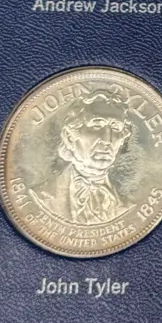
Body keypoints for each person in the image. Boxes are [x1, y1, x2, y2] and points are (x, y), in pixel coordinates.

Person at [30, 90, 133, 225]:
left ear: (122, 140)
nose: (107, 140)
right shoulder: (42, 195)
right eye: (97, 125)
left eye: (116, 127)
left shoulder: (128, 204)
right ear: (69, 137)